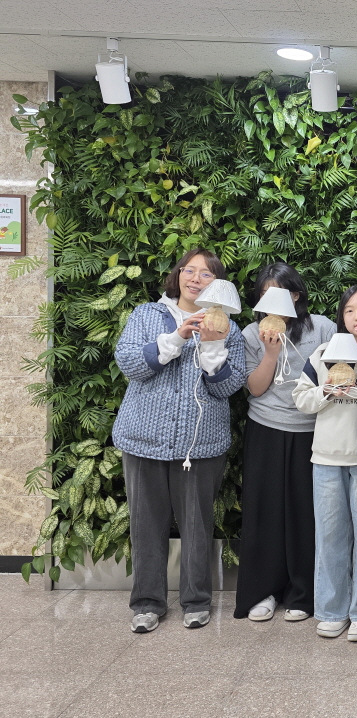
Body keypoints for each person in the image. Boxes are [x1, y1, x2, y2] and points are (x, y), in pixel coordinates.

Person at [112, 248, 247, 634]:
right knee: (145, 525)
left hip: (200, 444)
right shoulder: (146, 315)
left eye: (206, 274)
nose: (196, 279)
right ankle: (147, 603)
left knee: (197, 525)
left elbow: (229, 387)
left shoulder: (229, 329)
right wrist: (177, 336)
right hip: (143, 439)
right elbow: (130, 364)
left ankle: (196, 601)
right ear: (178, 274)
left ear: (217, 283)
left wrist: (212, 346)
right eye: (190, 270)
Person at [292, 286, 357, 641]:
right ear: (342, 317)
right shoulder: (323, 354)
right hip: (326, 458)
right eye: (350, 310)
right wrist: (326, 390)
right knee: (330, 538)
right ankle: (332, 610)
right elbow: (301, 399)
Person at [234, 263, 336, 624]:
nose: (271, 300)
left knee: (306, 514)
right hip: (266, 427)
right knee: (265, 512)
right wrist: (270, 353)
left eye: (279, 292)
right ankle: (262, 591)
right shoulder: (251, 333)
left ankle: (303, 593)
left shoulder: (322, 328)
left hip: (312, 431)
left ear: (296, 295)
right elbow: (255, 388)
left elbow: (337, 376)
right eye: (264, 293)